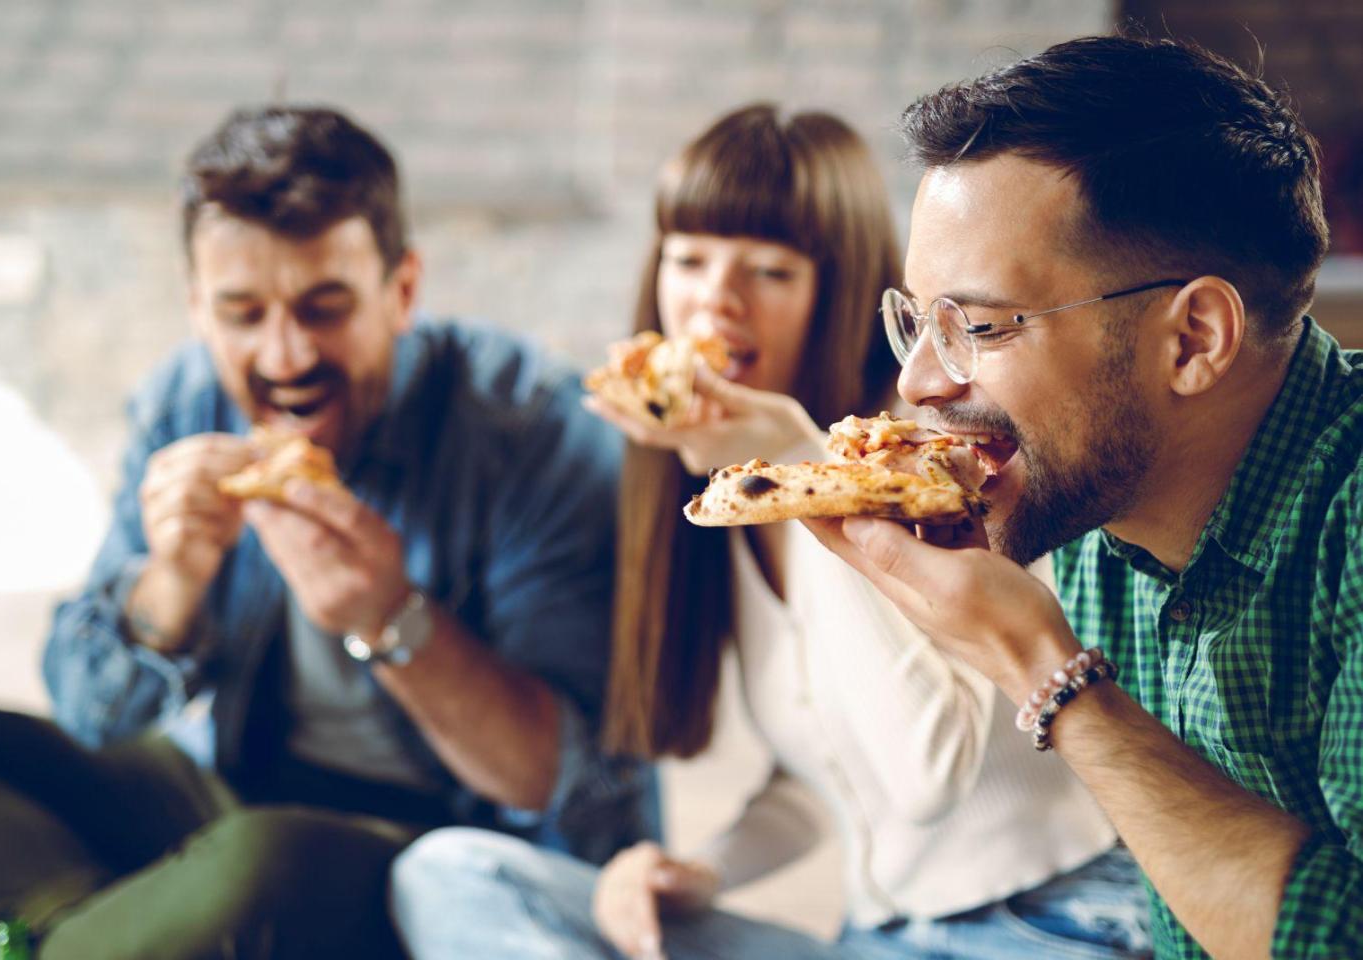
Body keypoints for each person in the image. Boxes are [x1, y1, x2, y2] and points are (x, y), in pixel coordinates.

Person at [0, 104, 652, 959]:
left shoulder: (536, 433)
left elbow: (562, 784)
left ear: (402, 290)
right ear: (197, 307)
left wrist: (390, 617)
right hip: (226, 793)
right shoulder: (186, 401)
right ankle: (119, 930)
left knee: (263, 860)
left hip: (440, 853)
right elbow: (88, 716)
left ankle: (109, 931)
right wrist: (172, 585)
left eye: (324, 307)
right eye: (242, 313)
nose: (284, 356)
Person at [392, 105, 1150, 960]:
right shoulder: (727, 495)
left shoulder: (935, 459)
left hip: (1050, 927)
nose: (717, 298)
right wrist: (698, 870)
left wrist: (806, 473)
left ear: (836, 297)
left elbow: (922, 777)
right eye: (689, 259)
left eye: (769, 270)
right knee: (456, 873)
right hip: (875, 941)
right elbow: (826, 765)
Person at [799, 34, 1360, 959]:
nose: (917, 383)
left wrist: (1047, 675)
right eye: (916, 321)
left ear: (1193, 340)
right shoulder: (1097, 512)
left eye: (976, 326)